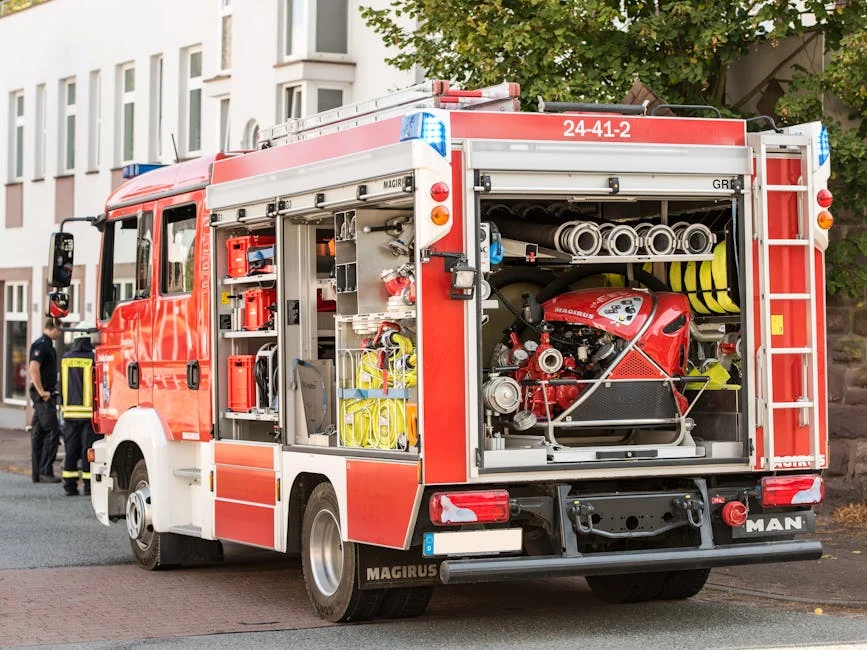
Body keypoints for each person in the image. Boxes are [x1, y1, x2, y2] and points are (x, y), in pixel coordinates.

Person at [59, 329, 99, 496]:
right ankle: (89, 486)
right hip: (89, 413)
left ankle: (69, 486)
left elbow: (60, 384)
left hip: (69, 412)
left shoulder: (66, 359)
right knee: (88, 449)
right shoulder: (93, 358)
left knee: (71, 449)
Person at [29, 318, 62, 483]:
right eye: (60, 329)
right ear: (54, 328)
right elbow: (34, 368)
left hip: (43, 395)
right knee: (52, 432)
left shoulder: (45, 344)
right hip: (44, 396)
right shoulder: (43, 345)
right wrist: (42, 391)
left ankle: (37, 473)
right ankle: (45, 470)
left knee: (38, 434)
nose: (60, 333)